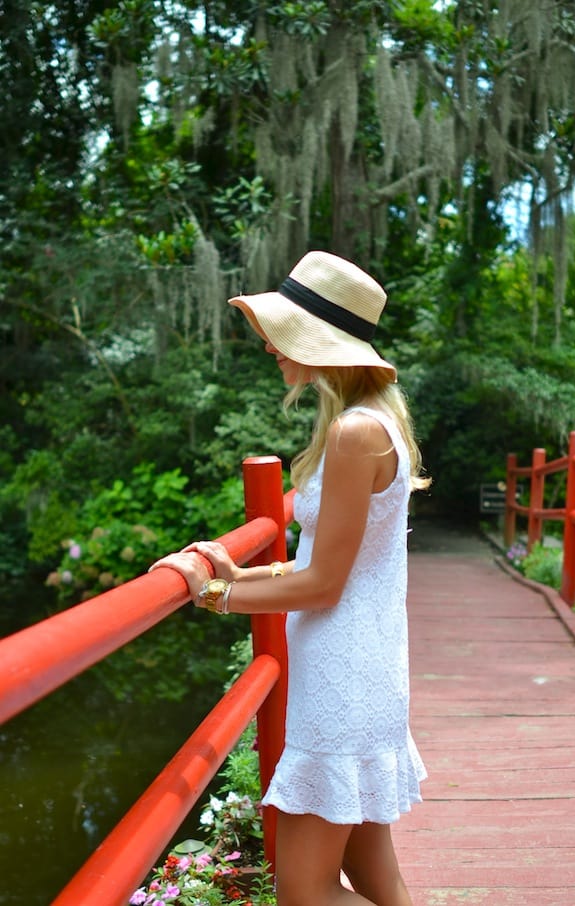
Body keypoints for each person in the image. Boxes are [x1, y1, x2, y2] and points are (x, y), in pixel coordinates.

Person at [150, 250, 430, 906]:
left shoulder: (356, 433)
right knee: (373, 875)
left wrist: (215, 594)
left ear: (319, 342)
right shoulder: (372, 421)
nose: (270, 348)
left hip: (343, 681)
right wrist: (237, 569)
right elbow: (325, 563)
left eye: (281, 335)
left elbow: (322, 585)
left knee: (304, 894)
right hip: (362, 670)